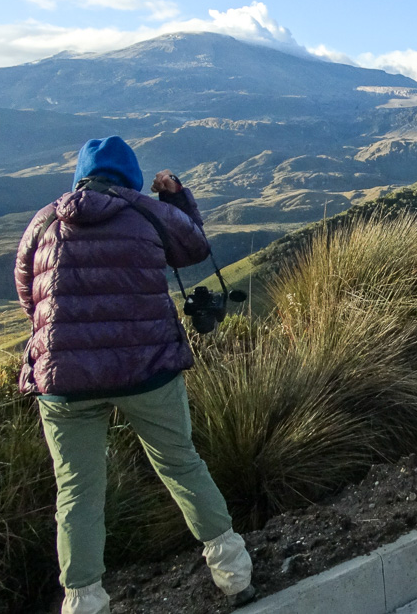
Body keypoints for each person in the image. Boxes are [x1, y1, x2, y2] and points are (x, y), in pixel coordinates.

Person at [15, 137, 254, 614]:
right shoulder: (145, 210)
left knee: (77, 491)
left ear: (81, 174)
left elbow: (29, 296)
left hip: (63, 379)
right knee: (180, 464)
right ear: (130, 176)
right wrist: (176, 197)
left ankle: (83, 603)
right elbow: (194, 247)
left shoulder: (42, 222)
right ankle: (234, 577)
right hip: (146, 370)